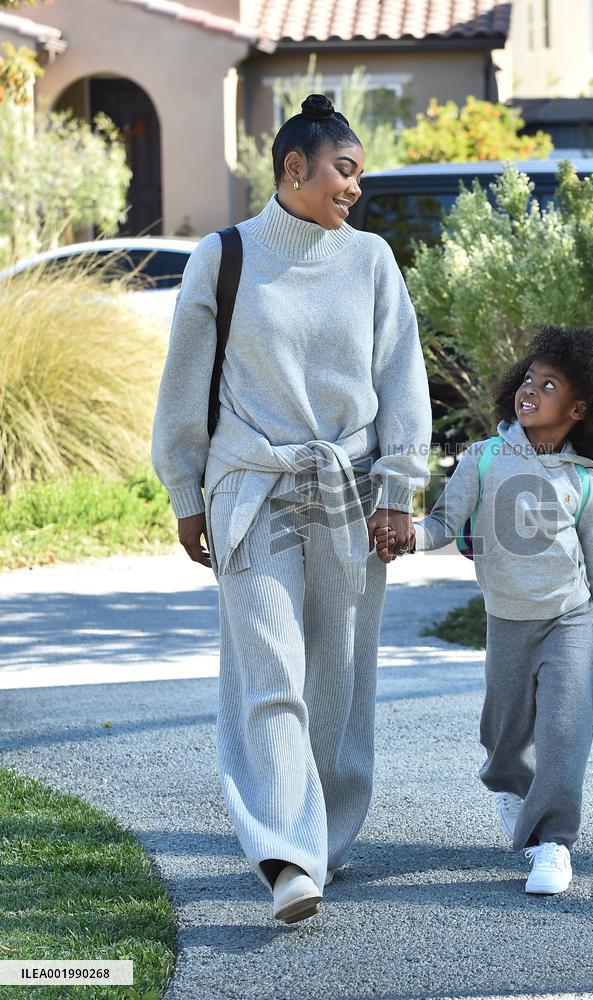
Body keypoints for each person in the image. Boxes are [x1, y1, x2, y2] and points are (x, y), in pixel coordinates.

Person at [151, 94, 431, 924]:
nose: (354, 188)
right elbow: (183, 385)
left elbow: (399, 379)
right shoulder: (224, 256)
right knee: (273, 671)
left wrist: (399, 491)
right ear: (294, 168)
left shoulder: (372, 260)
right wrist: (185, 490)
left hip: (345, 490)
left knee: (338, 678)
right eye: (344, 171)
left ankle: (326, 840)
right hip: (251, 487)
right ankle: (288, 856)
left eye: (360, 177)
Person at [377, 325, 593, 895]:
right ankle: (513, 794)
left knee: (566, 731)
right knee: (504, 736)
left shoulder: (583, 484)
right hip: (507, 622)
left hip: (569, 620)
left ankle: (553, 844)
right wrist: (407, 538)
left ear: (578, 409)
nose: (530, 390)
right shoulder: (483, 459)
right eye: (528, 379)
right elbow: (443, 524)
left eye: (549, 385)